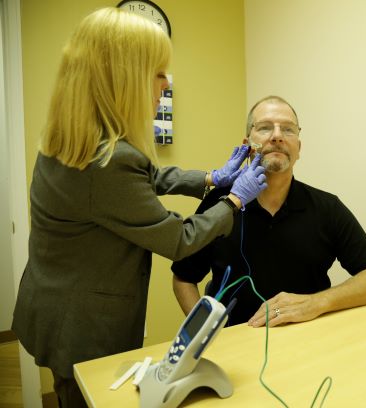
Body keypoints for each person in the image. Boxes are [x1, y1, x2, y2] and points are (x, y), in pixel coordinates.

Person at [11, 8, 266, 407]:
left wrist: (212, 178)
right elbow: (180, 240)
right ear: (122, 80)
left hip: (51, 302)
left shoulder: (76, 140)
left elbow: (147, 179)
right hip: (81, 323)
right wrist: (235, 200)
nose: (166, 83)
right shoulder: (108, 162)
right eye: (158, 72)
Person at [172, 95, 366, 328]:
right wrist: (204, 332)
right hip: (234, 342)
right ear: (247, 145)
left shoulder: (327, 208)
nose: (277, 136)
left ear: (298, 147)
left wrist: (317, 302)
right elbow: (183, 278)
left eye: (288, 130)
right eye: (265, 127)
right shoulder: (220, 203)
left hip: (309, 341)